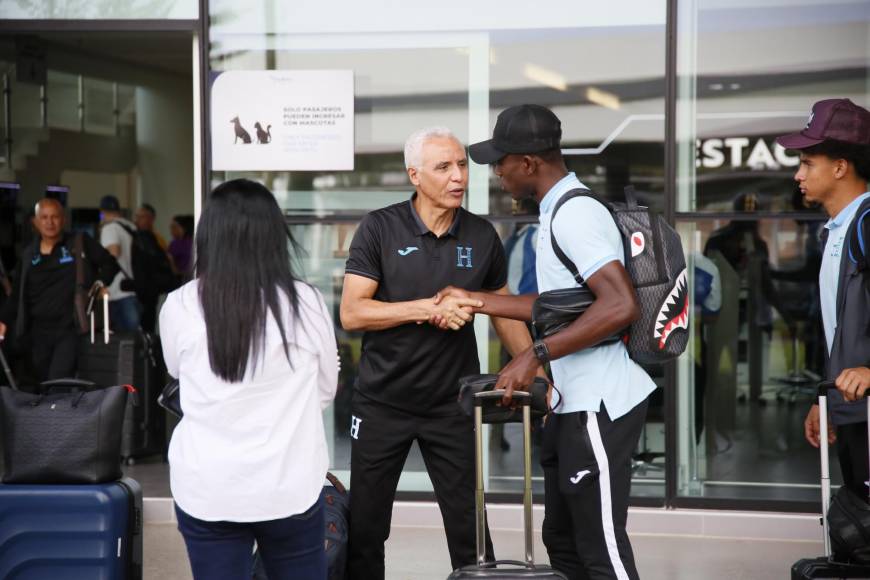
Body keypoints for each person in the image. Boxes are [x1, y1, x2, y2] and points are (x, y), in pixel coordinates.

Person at [438, 104, 656, 579]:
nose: (497, 173)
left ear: (529, 163)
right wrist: (478, 300)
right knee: (562, 538)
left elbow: (619, 305)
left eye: (501, 162)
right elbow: (562, 304)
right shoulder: (556, 210)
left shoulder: (575, 214)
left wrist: (532, 354)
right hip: (572, 402)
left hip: (599, 401)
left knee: (601, 546)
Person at [340, 126, 539, 579]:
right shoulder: (380, 227)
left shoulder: (481, 235)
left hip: (453, 406)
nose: (459, 177)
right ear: (415, 174)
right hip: (381, 403)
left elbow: (504, 312)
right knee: (367, 529)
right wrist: (431, 309)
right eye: (444, 167)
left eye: (463, 165)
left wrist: (535, 370)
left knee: (470, 531)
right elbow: (353, 313)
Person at [159, 179, 338, 580]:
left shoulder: (180, 305)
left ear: (210, 237)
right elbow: (325, 387)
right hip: (289, 484)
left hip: (208, 486)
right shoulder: (305, 302)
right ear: (274, 236)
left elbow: (178, 374)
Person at [777, 98, 870, 499]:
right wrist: (828, 399)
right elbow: (840, 329)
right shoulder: (836, 230)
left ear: (840, 167)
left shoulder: (866, 224)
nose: (798, 175)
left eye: (807, 163)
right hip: (852, 406)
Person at [0, 198, 118, 381]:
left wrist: (99, 285)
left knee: (58, 379)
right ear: (35, 221)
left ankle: (58, 409)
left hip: (69, 328)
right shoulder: (28, 253)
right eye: (44, 217)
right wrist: (3, 321)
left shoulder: (78, 243)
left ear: (63, 220)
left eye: (55, 217)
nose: (49, 222)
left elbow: (110, 263)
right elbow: (16, 295)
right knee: (42, 382)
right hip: (36, 332)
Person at [99, 195, 140, 331]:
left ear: (103, 212)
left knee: (120, 337)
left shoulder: (109, 228)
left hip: (116, 288)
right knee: (133, 334)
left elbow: (114, 251)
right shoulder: (131, 226)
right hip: (133, 285)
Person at [168, 214, 195, 281]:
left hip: (181, 279)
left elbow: (173, 268)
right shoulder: (195, 241)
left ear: (183, 228)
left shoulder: (176, 244)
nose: (171, 230)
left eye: (174, 227)